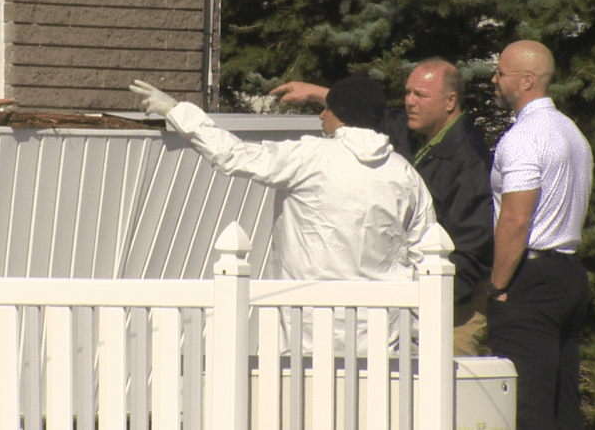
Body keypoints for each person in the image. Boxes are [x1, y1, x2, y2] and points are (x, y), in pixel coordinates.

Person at [130, 74, 438, 353]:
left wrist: (176, 110)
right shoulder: (405, 175)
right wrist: (417, 337)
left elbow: (233, 155)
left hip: (306, 336)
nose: (321, 114)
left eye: (327, 108)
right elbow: (427, 258)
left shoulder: (310, 157)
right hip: (381, 340)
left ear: (342, 116)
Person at [271, 58, 493, 355]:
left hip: (454, 308)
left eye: (420, 95)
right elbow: (384, 116)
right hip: (418, 300)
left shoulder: (469, 162)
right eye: (407, 92)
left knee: (444, 391)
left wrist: (428, 302)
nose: (409, 101)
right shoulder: (418, 135)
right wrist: (318, 93)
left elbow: (471, 250)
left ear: (450, 101)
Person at [486, 40, 592, 430]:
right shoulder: (571, 131)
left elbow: (515, 219)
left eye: (500, 73)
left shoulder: (523, 138)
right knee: (564, 404)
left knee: (527, 408)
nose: (494, 80)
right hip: (569, 276)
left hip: (531, 279)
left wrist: (497, 286)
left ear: (527, 81)